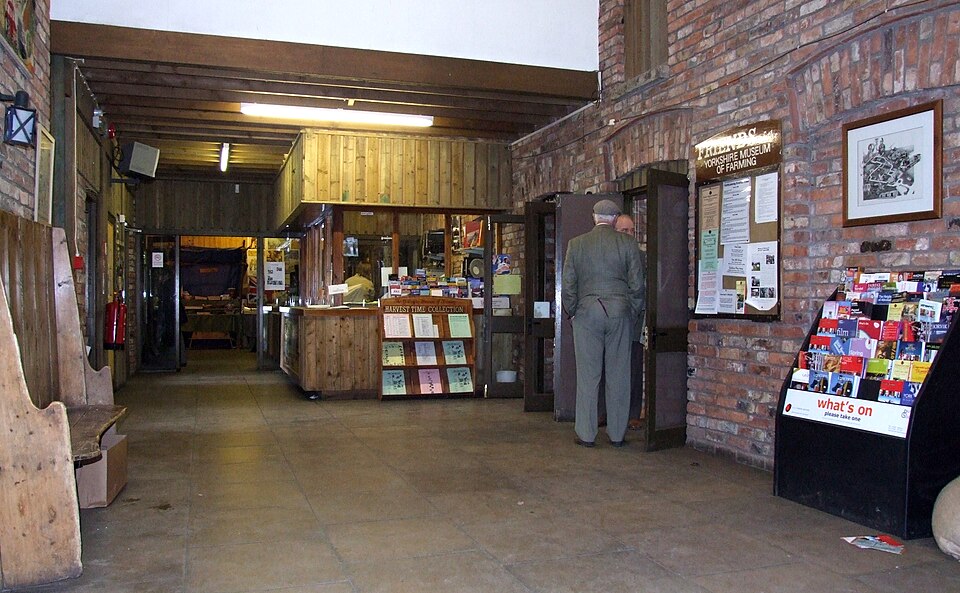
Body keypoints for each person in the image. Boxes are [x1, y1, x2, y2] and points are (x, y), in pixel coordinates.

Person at [561, 199, 645, 448]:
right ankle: (617, 434)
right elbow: (637, 285)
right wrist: (631, 311)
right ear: (614, 219)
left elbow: (568, 285)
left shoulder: (576, 245)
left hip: (587, 313)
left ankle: (586, 434)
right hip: (620, 313)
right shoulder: (628, 243)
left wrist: (573, 311)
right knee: (619, 374)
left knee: (588, 375)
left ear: (594, 217)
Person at [615, 213, 647, 431]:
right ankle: (607, 412)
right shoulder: (609, 257)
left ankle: (633, 414)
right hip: (614, 320)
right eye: (624, 231)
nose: (629, 234)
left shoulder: (642, 257)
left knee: (634, 368)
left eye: (631, 231)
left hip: (635, 321)